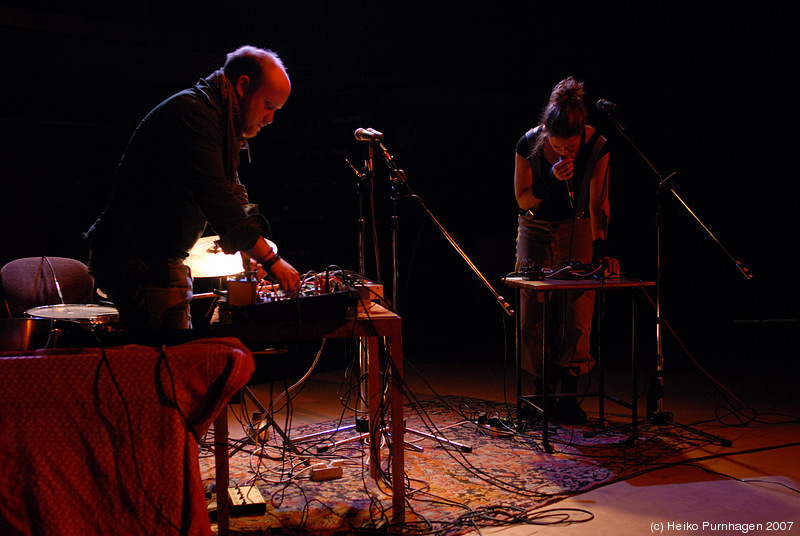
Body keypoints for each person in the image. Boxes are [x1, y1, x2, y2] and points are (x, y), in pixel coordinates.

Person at [84, 45, 301, 336]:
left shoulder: (217, 120)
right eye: (268, 105)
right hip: (138, 262)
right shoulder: (194, 115)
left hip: (155, 260)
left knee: (174, 368)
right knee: (165, 369)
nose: (270, 119)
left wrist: (255, 250)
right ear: (243, 85)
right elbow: (217, 199)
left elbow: (233, 194)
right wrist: (270, 259)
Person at [513, 77, 619, 424]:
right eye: (559, 147)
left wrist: (601, 247)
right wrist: (550, 181)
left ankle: (569, 392)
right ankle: (540, 389)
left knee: (577, 308)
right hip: (536, 226)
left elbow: (599, 202)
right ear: (547, 134)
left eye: (571, 147)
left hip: (577, 225)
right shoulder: (528, 144)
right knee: (535, 310)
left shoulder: (598, 145)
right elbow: (523, 199)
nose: (566, 153)